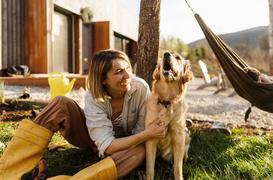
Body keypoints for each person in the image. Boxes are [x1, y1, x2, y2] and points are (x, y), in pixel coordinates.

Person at [0, 49, 167, 180]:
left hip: (127, 146)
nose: (127, 76)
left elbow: (139, 134)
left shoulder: (141, 88)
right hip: (90, 137)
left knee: (140, 152)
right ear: (103, 80)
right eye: (118, 72)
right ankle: (10, 170)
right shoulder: (93, 96)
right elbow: (107, 145)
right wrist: (146, 134)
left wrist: (142, 136)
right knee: (60, 103)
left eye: (127, 69)